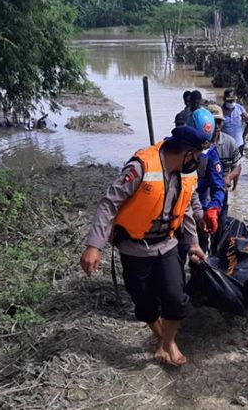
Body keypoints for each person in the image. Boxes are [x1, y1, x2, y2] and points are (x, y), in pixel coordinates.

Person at [80, 126, 208, 367]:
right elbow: (110, 203)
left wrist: (193, 244)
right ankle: (162, 338)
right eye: (197, 156)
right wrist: (94, 245)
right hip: (135, 248)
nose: (199, 162)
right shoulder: (141, 167)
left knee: (176, 299)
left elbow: (187, 210)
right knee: (145, 303)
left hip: (167, 244)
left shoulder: (188, 174)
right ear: (187, 153)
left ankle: (168, 341)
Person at [188, 107, 226, 253]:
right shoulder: (173, 149)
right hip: (175, 210)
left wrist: (214, 207)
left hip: (199, 208)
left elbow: (219, 186)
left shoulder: (210, 154)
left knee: (201, 250)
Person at [206, 104, 242, 249]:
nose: (216, 125)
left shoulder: (229, 142)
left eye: (219, 122)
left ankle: (215, 253)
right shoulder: (200, 143)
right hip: (203, 193)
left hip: (221, 191)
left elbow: (237, 165)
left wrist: (229, 178)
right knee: (202, 228)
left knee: (220, 226)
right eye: (213, 122)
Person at [221, 89, 248, 155]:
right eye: (229, 100)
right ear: (224, 99)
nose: (231, 102)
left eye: (233, 100)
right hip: (225, 145)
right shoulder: (220, 111)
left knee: (238, 164)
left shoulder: (239, 108)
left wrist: (245, 117)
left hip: (238, 144)